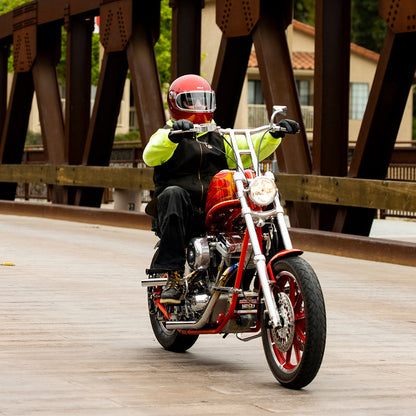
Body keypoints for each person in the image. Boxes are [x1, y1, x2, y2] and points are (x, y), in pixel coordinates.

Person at [143, 74, 299, 304]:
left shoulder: (221, 137)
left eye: (203, 101)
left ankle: (277, 268)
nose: (198, 107)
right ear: (176, 104)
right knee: (173, 193)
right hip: (183, 214)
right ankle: (173, 275)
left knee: (264, 196)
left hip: (216, 211)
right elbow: (150, 154)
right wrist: (174, 136)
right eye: (191, 101)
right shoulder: (167, 135)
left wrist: (275, 134)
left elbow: (253, 147)